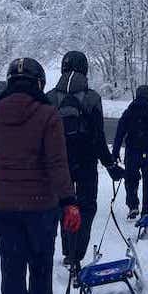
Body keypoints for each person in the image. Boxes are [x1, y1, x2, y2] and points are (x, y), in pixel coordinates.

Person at [0, 57, 81, 294]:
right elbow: (56, 164)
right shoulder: (47, 115)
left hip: (4, 208)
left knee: (11, 270)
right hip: (41, 208)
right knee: (40, 265)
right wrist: (68, 200)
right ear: (39, 83)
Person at [46, 51, 123, 267]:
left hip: (60, 163)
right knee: (86, 207)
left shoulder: (50, 97)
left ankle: (68, 251)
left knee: (64, 205)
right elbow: (98, 137)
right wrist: (110, 165)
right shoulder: (92, 98)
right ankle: (78, 252)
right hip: (87, 162)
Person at [112, 85, 148, 220]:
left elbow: (119, 134)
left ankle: (133, 206)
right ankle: (147, 209)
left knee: (131, 179)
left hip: (132, 153)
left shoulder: (128, 112)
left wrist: (115, 152)